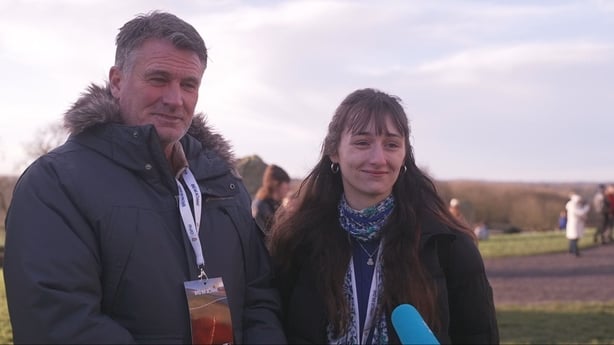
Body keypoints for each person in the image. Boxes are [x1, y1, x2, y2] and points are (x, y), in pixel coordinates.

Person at [3, 11, 285, 344]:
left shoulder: (221, 182)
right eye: (158, 79)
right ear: (117, 81)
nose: (174, 99)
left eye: (188, 84)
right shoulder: (56, 184)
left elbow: (260, 297)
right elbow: (60, 323)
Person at [268, 88, 499, 344]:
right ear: (334, 151)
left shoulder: (448, 244)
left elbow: (478, 335)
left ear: (404, 155)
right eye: (362, 142)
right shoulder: (297, 241)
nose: (378, 159)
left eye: (391, 145)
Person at [252, 164, 291, 234]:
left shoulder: (277, 205)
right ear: (276, 183)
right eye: (286, 183)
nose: (288, 188)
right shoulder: (261, 207)